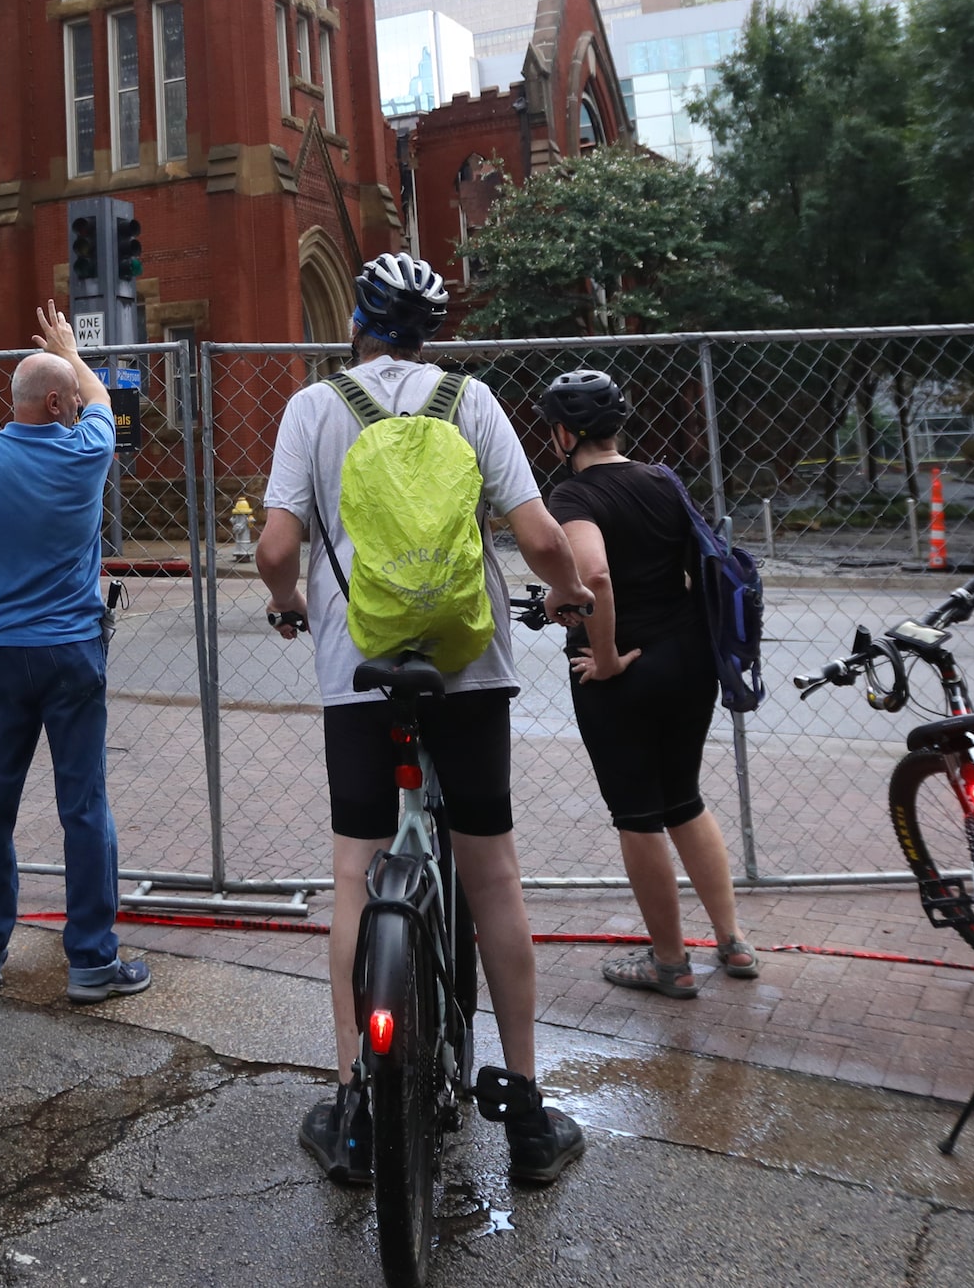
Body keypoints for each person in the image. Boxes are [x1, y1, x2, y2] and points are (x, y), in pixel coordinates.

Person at [256, 253, 593, 1188]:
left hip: (357, 667)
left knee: (355, 874)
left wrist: (291, 602)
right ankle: (525, 1112)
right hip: (469, 667)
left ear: (358, 321)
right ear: (432, 331)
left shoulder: (315, 407)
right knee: (491, 872)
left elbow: (277, 545)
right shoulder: (471, 402)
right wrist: (569, 598)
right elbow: (538, 538)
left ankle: (355, 1109)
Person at [0, 301, 149, 1005]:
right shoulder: (87, 452)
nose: (79, 401)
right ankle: (91, 962)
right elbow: (103, 401)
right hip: (73, 653)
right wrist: (73, 350)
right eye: (71, 395)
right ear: (57, 403)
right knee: (84, 805)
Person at [539, 367, 756, 997]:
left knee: (638, 816)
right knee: (684, 797)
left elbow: (596, 577)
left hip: (624, 671)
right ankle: (733, 942)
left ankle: (669, 962)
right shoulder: (663, 479)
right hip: (689, 658)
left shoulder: (573, 497)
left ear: (564, 434)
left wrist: (604, 657)